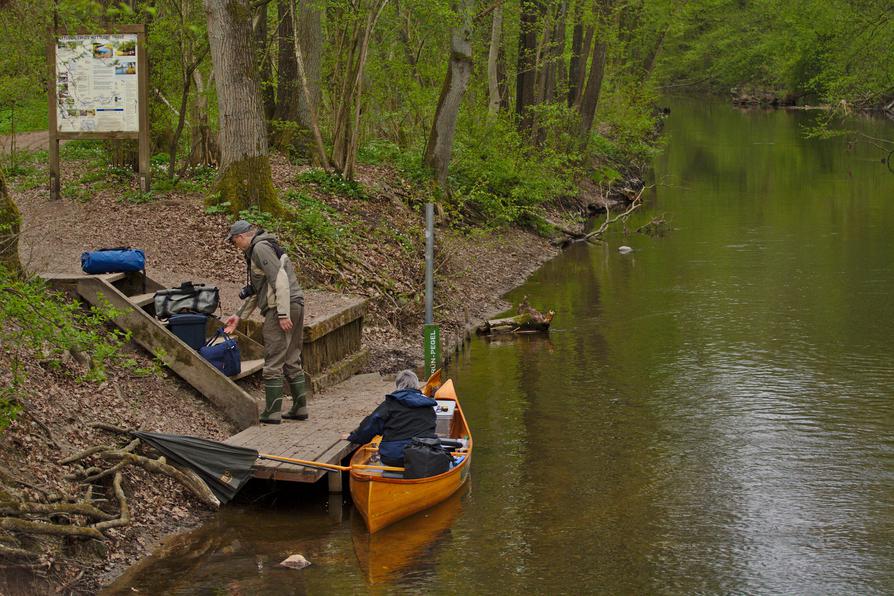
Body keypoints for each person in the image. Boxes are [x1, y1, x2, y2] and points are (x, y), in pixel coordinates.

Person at [223, 220, 307, 424]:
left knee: (273, 357)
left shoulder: (260, 248)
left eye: (234, 242)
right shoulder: (265, 246)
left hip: (281, 307)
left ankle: (272, 411)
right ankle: (300, 408)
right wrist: (239, 315)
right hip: (294, 303)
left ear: (241, 237)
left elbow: (280, 279)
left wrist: (282, 314)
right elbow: (259, 290)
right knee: (291, 356)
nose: (236, 247)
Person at [347, 370, 438, 467]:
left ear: (398, 385)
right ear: (416, 385)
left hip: (394, 457)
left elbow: (371, 425)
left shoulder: (389, 404)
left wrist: (354, 436)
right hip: (424, 455)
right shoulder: (428, 406)